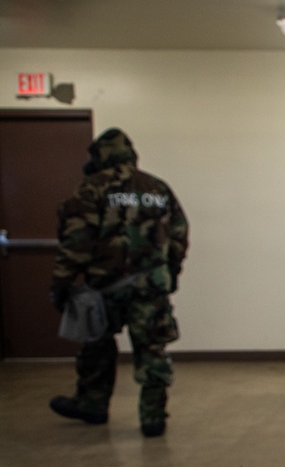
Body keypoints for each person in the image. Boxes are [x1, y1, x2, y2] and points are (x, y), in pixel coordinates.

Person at [49, 128, 188, 438]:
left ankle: (93, 404)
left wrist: (62, 282)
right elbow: (179, 235)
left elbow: (76, 241)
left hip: (105, 287)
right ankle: (153, 417)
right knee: (152, 348)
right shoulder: (157, 187)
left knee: (96, 346)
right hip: (151, 286)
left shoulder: (92, 188)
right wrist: (169, 275)